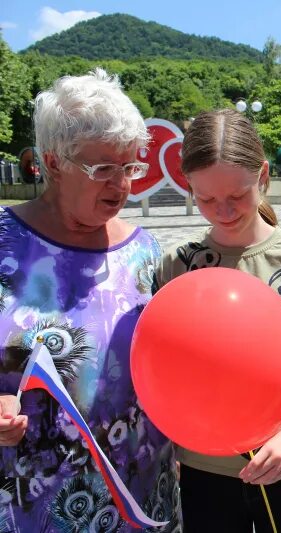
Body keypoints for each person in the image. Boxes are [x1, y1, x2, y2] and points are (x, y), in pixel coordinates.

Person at [155, 109, 281, 533]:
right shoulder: (177, 265)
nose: (223, 211)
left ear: (263, 176)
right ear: (188, 184)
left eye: (238, 195)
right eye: (206, 198)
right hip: (200, 470)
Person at [0, 69, 180, 531]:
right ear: (54, 162)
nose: (122, 184)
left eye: (131, 167)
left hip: (142, 499)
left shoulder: (146, 252)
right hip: (32, 506)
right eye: (103, 169)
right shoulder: (4, 243)